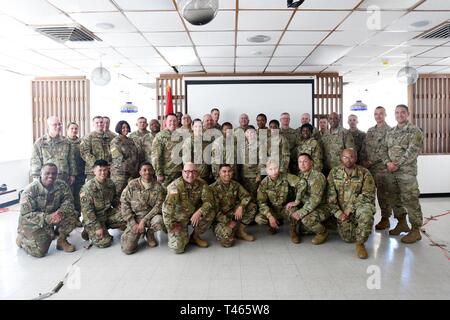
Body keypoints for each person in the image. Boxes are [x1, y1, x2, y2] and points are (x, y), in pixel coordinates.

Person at [16, 163, 78, 257]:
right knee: (40, 252)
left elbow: (69, 201)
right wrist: (48, 217)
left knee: (72, 215)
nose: (51, 176)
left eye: (54, 173)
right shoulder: (30, 190)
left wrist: (60, 212)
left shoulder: (62, 185)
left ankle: (61, 240)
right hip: (33, 223)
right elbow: (27, 215)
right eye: (47, 173)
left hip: (53, 217)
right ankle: (22, 240)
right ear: (41, 173)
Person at [385, 104, 424, 243]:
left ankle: (415, 230)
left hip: (406, 173)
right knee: (394, 200)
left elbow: (412, 152)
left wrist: (397, 164)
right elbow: (384, 150)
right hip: (391, 173)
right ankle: (402, 223)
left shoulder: (415, 131)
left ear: (407, 114)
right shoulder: (390, 132)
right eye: (397, 112)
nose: (399, 115)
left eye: (402, 112)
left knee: (411, 200)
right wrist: (387, 163)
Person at [327, 149, 376, 259]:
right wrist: (338, 213)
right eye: (345, 157)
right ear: (341, 158)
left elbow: (368, 194)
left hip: (359, 206)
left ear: (356, 158)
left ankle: (360, 244)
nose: (348, 160)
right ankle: (359, 228)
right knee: (348, 238)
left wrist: (350, 208)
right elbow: (330, 196)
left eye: (351, 157)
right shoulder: (334, 172)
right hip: (342, 210)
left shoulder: (364, 173)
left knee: (366, 215)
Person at [363, 106, 403, 230]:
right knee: (367, 194)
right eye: (376, 114)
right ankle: (367, 218)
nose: (378, 116)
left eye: (381, 114)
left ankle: (385, 219)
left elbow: (387, 151)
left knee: (383, 195)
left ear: (385, 115)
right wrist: (364, 161)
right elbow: (365, 148)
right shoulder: (370, 131)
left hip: (382, 169)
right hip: (369, 169)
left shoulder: (390, 131)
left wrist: (371, 161)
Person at [162, 162, 215, 254]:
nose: (190, 175)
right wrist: (171, 226)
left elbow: (209, 201)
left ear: (197, 173)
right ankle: (182, 235)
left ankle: (195, 237)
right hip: (179, 220)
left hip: (193, 216)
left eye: (193, 171)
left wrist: (199, 211)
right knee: (178, 249)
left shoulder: (202, 184)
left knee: (210, 212)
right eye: (187, 171)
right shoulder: (174, 187)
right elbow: (166, 209)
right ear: (182, 172)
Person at [120, 162, 167, 254]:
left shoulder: (158, 187)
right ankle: (133, 234)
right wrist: (133, 223)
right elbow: (124, 203)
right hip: (135, 218)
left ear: (153, 171)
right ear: (140, 172)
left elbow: (158, 207)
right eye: (144, 170)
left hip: (151, 217)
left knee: (160, 220)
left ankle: (150, 234)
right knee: (127, 250)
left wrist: (144, 221)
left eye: (149, 170)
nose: (147, 172)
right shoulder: (132, 184)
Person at [80, 160, 126, 248]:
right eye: (100, 170)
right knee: (105, 243)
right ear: (94, 171)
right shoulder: (87, 188)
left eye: (105, 170)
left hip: (107, 214)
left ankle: (104, 227)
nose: (103, 173)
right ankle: (88, 230)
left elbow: (114, 199)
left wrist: (119, 206)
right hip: (95, 218)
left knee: (126, 217)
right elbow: (87, 212)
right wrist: (97, 227)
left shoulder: (110, 183)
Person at [255, 159, 303, 243]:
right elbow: (261, 202)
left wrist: (297, 200)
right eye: (270, 169)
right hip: (272, 210)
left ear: (279, 168)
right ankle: (272, 226)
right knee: (259, 219)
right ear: (266, 171)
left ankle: (293, 231)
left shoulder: (286, 176)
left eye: (275, 168)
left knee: (294, 211)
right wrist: (270, 216)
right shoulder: (264, 183)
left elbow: (302, 183)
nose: (274, 172)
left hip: (285, 208)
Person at [210, 164, 256, 247]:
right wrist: (227, 222)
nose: (227, 174)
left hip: (231, 213)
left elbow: (247, 196)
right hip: (220, 219)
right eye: (224, 171)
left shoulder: (235, 185)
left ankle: (240, 231)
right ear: (219, 173)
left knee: (252, 206)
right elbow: (214, 211)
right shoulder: (212, 188)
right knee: (228, 243)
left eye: (229, 171)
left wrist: (241, 206)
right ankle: (225, 231)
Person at [290, 153, 331, 244]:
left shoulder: (317, 177)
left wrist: (301, 212)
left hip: (322, 206)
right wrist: (296, 201)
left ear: (311, 163)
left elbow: (315, 200)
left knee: (306, 219)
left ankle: (323, 232)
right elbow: (300, 192)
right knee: (290, 209)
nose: (302, 164)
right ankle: (294, 232)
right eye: (300, 162)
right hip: (308, 205)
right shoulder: (300, 175)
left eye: (305, 161)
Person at [30, 116, 77, 185]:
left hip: (64, 179)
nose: (58, 126)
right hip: (47, 180)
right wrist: (37, 179)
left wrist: (72, 175)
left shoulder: (66, 142)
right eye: (55, 124)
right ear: (48, 126)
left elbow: (71, 160)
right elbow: (35, 162)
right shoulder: (40, 143)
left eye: (59, 124)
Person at [151, 113, 184, 187]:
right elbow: (156, 157)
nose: (172, 123)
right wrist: (159, 174)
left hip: (179, 172)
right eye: (170, 121)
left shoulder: (181, 136)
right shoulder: (160, 136)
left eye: (174, 121)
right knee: (165, 194)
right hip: (166, 174)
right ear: (166, 122)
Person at [110, 120, 139, 196]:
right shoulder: (115, 141)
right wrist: (131, 169)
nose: (125, 129)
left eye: (127, 127)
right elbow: (118, 159)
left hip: (132, 174)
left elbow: (135, 156)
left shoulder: (131, 141)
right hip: (120, 174)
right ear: (119, 128)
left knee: (130, 194)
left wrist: (135, 169)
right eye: (123, 127)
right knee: (118, 195)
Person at [80, 116, 112, 181]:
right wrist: (96, 164)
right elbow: (84, 153)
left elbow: (113, 152)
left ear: (104, 123)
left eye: (101, 122)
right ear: (93, 124)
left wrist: (110, 163)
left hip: (106, 170)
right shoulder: (88, 137)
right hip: (93, 171)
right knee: (92, 190)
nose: (99, 124)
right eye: (97, 122)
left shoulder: (110, 137)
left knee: (107, 189)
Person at [66, 122, 86, 216]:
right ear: (67, 130)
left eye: (76, 129)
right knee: (68, 196)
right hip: (67, 174)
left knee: (78, 195)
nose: (74, 130)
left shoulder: (82, 142)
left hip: (80, 173)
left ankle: (77, 216)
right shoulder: (64, 142)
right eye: (72, 128)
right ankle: (69, 218)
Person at [238, 126, 261, 201]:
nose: (250, 135)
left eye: (252, 133)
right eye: (248, 133)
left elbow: (262, 161)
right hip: (243, 174)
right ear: (245, 135)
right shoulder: (242, 145)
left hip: (253, 175)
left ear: (255, 134)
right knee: (244, 194)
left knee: (253, 194)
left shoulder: (259, 145)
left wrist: (259, 174)